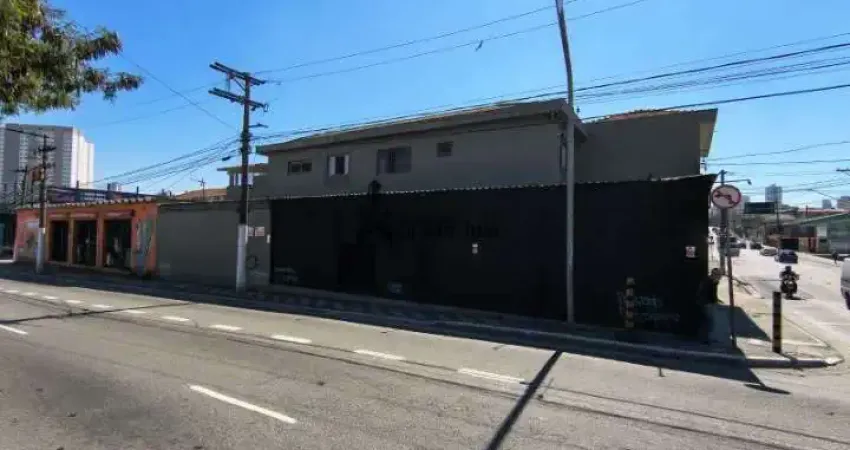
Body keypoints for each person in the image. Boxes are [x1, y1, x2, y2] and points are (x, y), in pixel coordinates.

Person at [697, 268, 722, 343]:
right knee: (709, 322)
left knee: (708, 321)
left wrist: (717, 300)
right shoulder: (709, 282)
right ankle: (705, 339)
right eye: (719, 275)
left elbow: (712, 293)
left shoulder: (710, 281)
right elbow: (708, 294)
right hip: (707, 304)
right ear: (715, 275)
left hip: (706, 303)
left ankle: (706, 338)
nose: (720, 277)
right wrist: (713, 302)